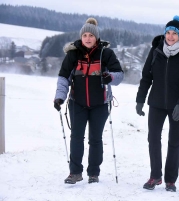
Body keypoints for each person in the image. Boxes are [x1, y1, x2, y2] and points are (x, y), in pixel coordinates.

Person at [53, 18, 124, 184]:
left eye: (91, 35)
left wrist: (110, 77)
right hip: (77, 102)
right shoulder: (73, 54)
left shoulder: (106, 54)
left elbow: (119, 75)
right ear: (81, 37)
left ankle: (94, 173)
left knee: (95, 139)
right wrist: (59, 97)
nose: (87, 38)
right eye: (84, 35)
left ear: (96, 37)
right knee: (76, 137)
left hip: (100, 104)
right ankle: (75, 172)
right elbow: (63, 77)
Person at [135, 16, 179, 192]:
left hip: (178, 105)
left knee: (174, 141)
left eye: (174, 34)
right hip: (156, 103)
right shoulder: (156, 51)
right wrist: (140, 99)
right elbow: (146, 77)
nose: (170, 37)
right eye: (168, 33)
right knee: (153, 138)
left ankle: (170, 180)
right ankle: (155, 176)